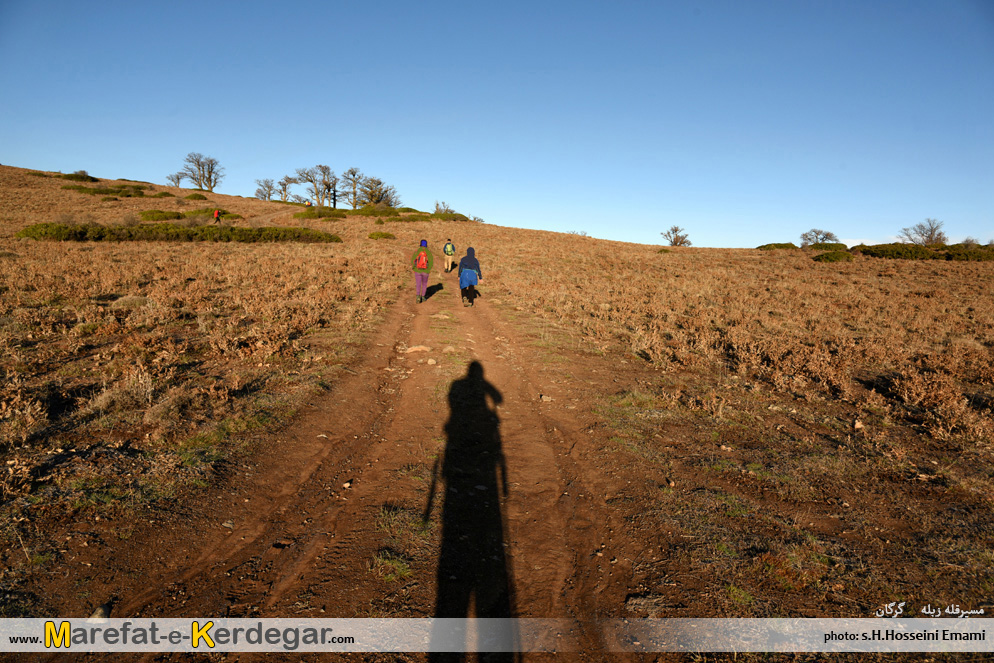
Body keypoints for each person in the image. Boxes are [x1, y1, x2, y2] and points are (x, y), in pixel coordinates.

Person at [411, 239, 434, 304]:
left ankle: (418, 297)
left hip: (417, 270)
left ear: (420, 244)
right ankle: (423, 297)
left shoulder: (417, 251)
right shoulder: (428, 252)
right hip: (425, 271)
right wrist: (428, 269)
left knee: (418, 284)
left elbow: (412, 260)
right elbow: (431, 262)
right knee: (424, 284)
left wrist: (414, 268)